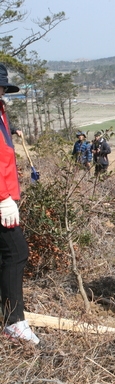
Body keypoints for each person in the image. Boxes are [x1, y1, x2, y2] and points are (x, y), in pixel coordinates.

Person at [0, 63, 40, 344]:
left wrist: (11, 130)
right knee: (16, 252)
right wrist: (3, 199)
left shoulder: (0, 110)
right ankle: (13, 321)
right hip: (1, 198)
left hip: (8, 193)